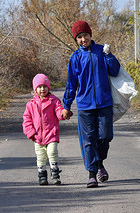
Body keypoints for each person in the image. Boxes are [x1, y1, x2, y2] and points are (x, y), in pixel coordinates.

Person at [62, 20, 120, 188]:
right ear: (76, 39)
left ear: (90, 35)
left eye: (85, 35)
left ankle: (100, 163)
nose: (83, 39)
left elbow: (115, 71)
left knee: (105, 136)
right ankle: (92, 174)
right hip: (85, 106)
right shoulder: (75, 58)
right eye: (79, 37)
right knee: (88, 140)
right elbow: (71, 84)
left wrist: (109, 55)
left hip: (104, 103)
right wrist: (67, 105)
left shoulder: (101, 51)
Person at [23, 73, 72, 185]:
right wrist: (31, 133)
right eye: (39, 87)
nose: (42, 89)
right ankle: (42, 175)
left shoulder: (54, 101)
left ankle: (55, 174)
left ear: (48, 88)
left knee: (52, 152)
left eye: (44, 86)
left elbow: (59, 111)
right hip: (37, 136)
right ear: (35, 89)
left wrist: (64, 114)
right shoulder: (31, 104)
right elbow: (27, 120)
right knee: (40, 156)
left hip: (51, 133)